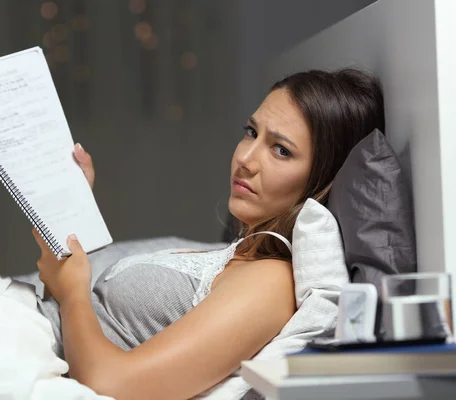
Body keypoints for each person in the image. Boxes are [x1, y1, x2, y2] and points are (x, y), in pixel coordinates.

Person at [33, 68, 385, 399]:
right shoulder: (244, 255)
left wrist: (73, 292)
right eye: (251, 132)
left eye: (281, 150)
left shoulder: (271, 282)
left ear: (322, 179)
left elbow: (111, 386)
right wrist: (73, 221)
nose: (245, 158)